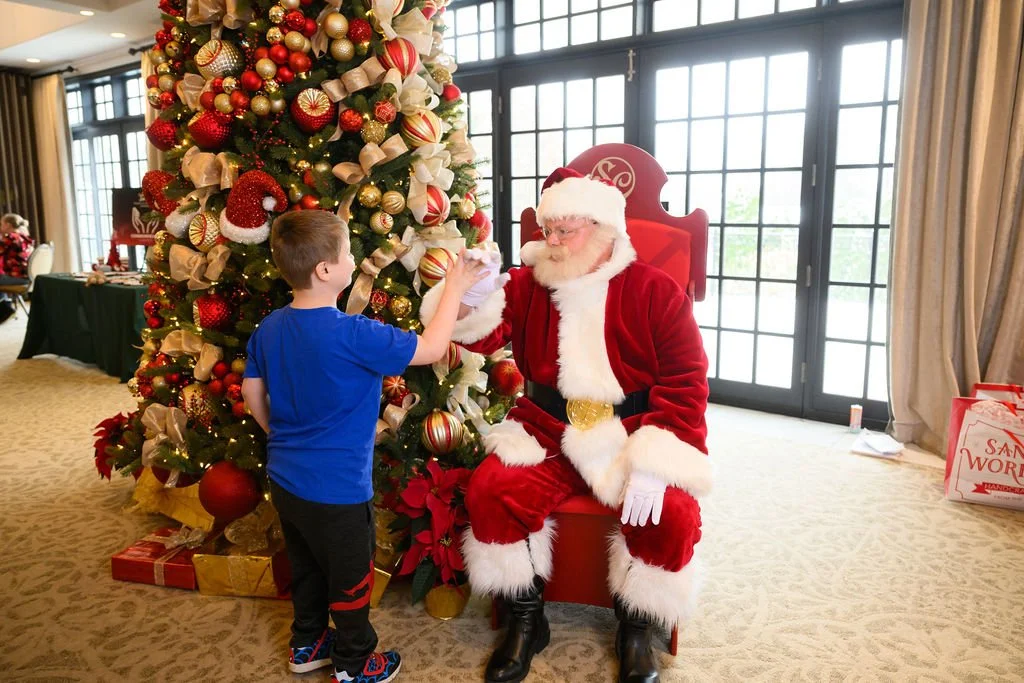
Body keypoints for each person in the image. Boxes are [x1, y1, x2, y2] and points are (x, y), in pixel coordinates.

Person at [420, 167, 711, 683]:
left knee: (670, 511)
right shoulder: (529, 284)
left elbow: (686, 381)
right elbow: (476, 335)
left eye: (564, 231)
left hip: (630, 431)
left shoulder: (655, 290)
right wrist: (471, 294)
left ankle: (636, 627)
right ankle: (526, 621)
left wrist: (656, 458)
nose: (550, 241)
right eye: (547, 230)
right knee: (492, 490)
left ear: (602, 229)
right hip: (544, 428)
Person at [240, 210, 486, 683]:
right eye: (347, 254)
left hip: (285, 481)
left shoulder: (269, 327)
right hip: (339, 492)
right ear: (324, 270)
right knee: (352, 577)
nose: (355, 260)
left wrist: (277, 434)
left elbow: (253, 393)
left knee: (307, 565)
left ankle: (307, 643)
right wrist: (454, 285)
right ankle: (354, 664)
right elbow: (432, 349)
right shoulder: (355, 333)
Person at [0, 213, 35, 323]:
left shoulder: (11, 238)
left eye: (1, 224)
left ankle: (5, 308)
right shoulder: (24, 237)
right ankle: (5, 305)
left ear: (8, 225)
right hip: (26, 276)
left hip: (17, 277)